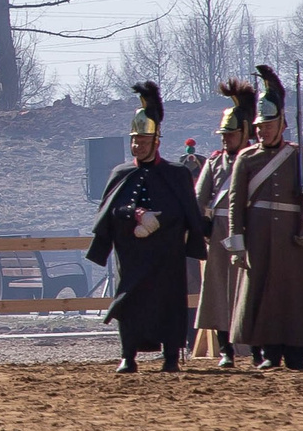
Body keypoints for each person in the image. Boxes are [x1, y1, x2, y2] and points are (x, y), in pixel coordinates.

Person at [84, 83, 213, 372]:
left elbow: (184, 211)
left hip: (166, 255)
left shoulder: (176, 174)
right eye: (133, 141)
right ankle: (128, 355)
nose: (136, 146)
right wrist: (136, 214)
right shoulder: (121, 173)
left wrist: (161, 221)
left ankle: (170, 357)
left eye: (142, 141)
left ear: (155, 142)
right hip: (131, 256)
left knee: (168, 305)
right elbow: (110, 211)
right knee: (130, 305)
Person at [221, 66, 303, 370]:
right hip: (257, 236)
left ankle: (296, 352)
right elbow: (235, 202)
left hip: (293, 238)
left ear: (281, 124)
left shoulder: (300, 157)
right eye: (259, 126)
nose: (261, 130)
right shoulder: (246, 158)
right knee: (262, 293)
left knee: (293, 296)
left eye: (268, 125)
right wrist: (237, 243)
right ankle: (268, 353)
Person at [195, 83, 253, 367]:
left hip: (251, 232)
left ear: (244, 133)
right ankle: (225, 350)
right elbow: (199, 198)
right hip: (220, 234)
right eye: (224, 135)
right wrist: (202, 225)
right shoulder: (215, 162)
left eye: (231, 134)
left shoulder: (256, 159)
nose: (226, 139)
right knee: (219, 292)